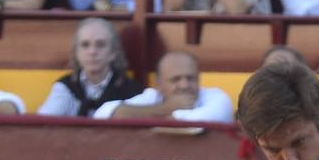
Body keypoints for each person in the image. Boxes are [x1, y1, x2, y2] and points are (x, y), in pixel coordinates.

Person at [37, 18, 143, 117]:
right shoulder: (65, 87)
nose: (92, 52)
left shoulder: (131, 91)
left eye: (100, 45)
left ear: (113, 52)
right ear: (76, 53)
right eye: (85, 45)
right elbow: (42, 124)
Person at [93, 50, 232, 122]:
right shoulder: (152, 96)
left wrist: (143, 115)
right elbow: (103, 113)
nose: (184, 85)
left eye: (190, 78)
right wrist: (166, 108)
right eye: (175, 80)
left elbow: (198, 121)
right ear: (158, 84)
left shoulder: (217, 97)